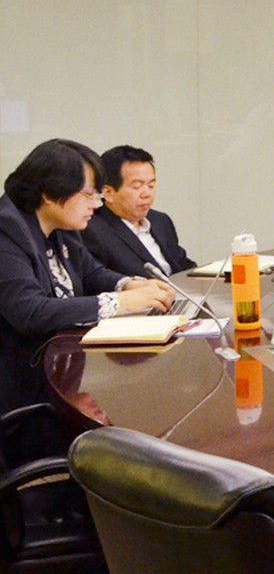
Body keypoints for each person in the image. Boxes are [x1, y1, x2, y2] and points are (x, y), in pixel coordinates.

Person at [0, 139, 174, 414]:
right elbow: (31, 311)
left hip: (64, 371)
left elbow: (90, 272)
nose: (96, 204)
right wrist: (122, 302)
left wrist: (129, 284)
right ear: (50, 194)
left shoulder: (61, 225)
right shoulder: (7, 232)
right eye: (89, 194)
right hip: (22, 392)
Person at [81, 145, 197, 278]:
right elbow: (97, 279)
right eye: (137, 186)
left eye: (151, 185)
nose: (147, 194)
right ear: (108, 193)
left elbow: (182, 264)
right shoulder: (92, 230)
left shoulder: (160, 220)